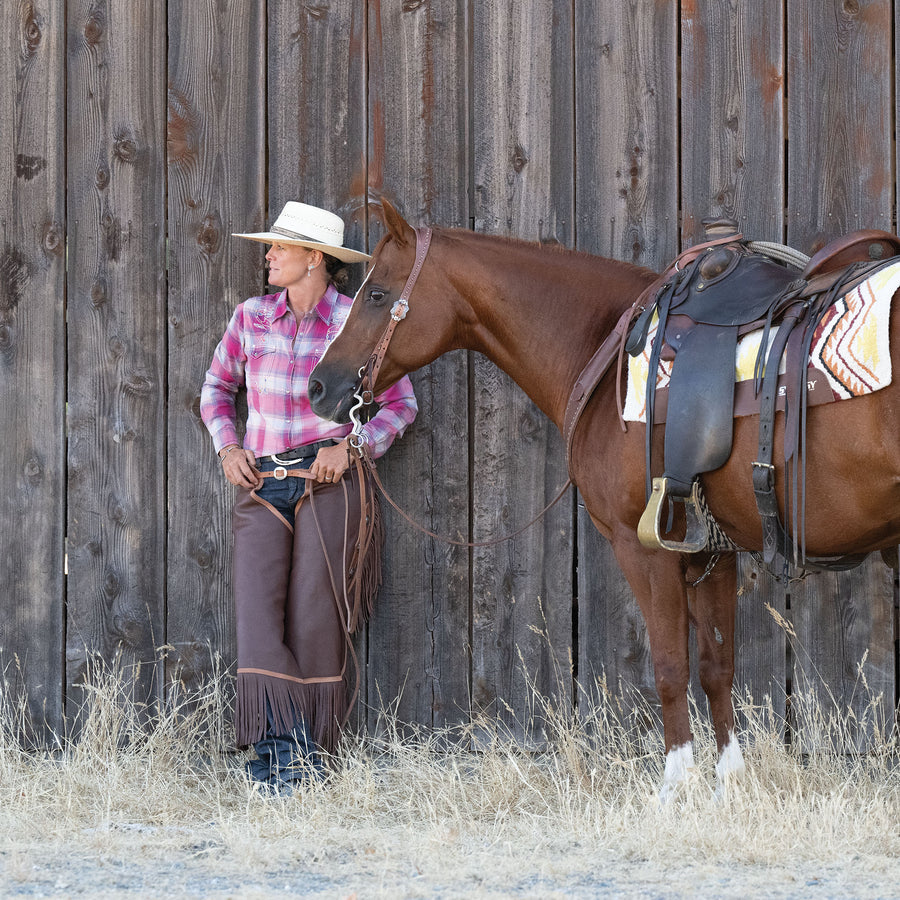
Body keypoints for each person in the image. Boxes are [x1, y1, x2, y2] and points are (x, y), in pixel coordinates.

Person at [200, 201, 417, 791]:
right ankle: (275, 747)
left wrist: (352, 447)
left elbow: (401, 406)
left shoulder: (358, 324)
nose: (268, 256)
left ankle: (310, 755)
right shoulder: (251, 318)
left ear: (315, 259)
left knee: (317, 615)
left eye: (280, 248)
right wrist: (227, 448)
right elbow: (217, 388)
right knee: (258, 615)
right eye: (271, 247)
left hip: (331, 484)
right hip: (263, 482)